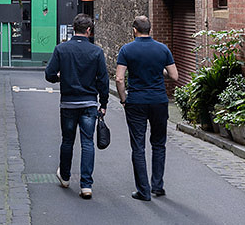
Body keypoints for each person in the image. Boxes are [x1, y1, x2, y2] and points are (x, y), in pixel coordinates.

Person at [45, 13, 109, 199]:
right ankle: (86, 185)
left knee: (67, 141)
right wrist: (103, 104)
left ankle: (65, 177)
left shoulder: (61, 49)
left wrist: (60, 77)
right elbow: (103, 81)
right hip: (89, 103)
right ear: (89, 30)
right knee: (87, 143)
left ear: (74, 28)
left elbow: (49, 74)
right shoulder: (96, 52)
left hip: (68, 104)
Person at [115, 15, 179, 201]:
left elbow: (119, 78)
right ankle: (157, 186)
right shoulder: (162, 49)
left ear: (134, 30)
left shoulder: (127, 49)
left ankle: (143, 190)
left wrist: (124, 98)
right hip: (159, 101)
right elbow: (174, 75)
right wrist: (159, 69)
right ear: (150, 29)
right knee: (159, 144)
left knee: (138, 147)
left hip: (136, 101)